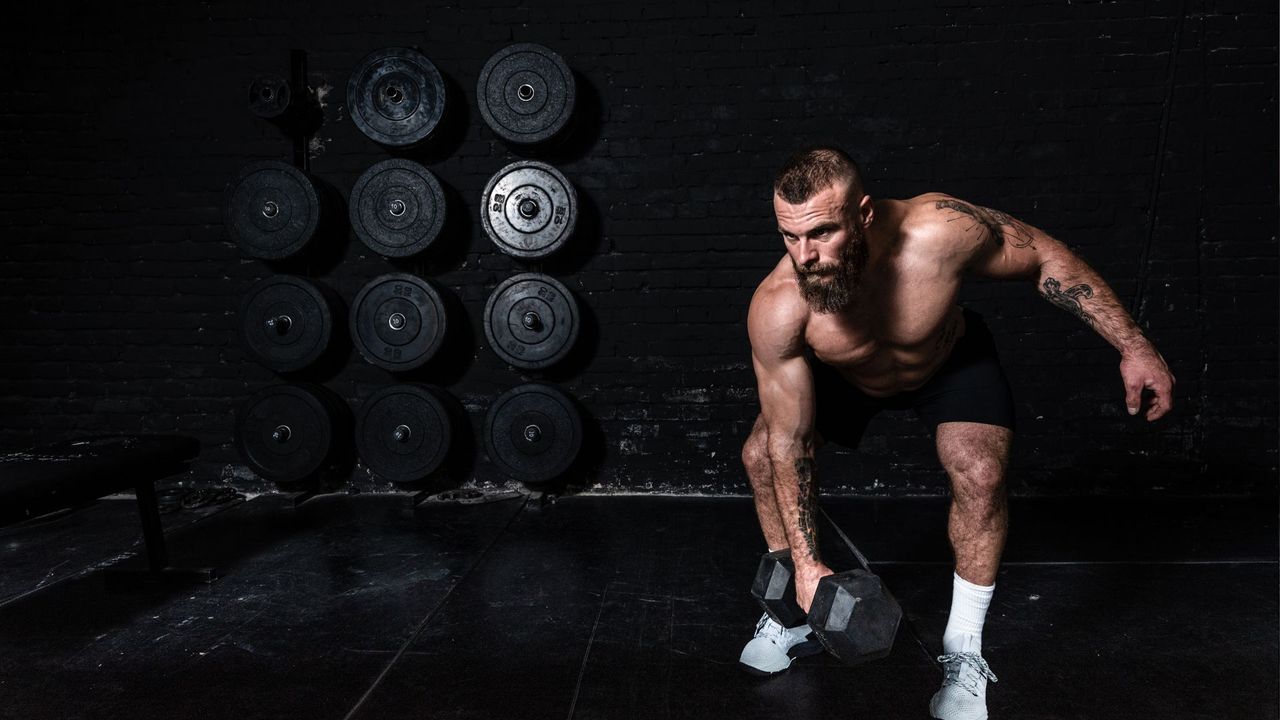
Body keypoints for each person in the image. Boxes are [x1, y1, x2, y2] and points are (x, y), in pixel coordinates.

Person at [737, 147, 1175, 720]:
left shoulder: (941, 229)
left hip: (947, 360)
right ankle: (792, 609)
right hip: (847, 377)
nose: (806, 256)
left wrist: (1134, 347)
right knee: (761, 456)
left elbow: (1046, 258)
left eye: (822, 232)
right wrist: (809, 562)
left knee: (980, 469)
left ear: (864, 215)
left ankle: (963, 649)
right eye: (790, 237)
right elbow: (790, 445)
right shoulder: (779, 306)